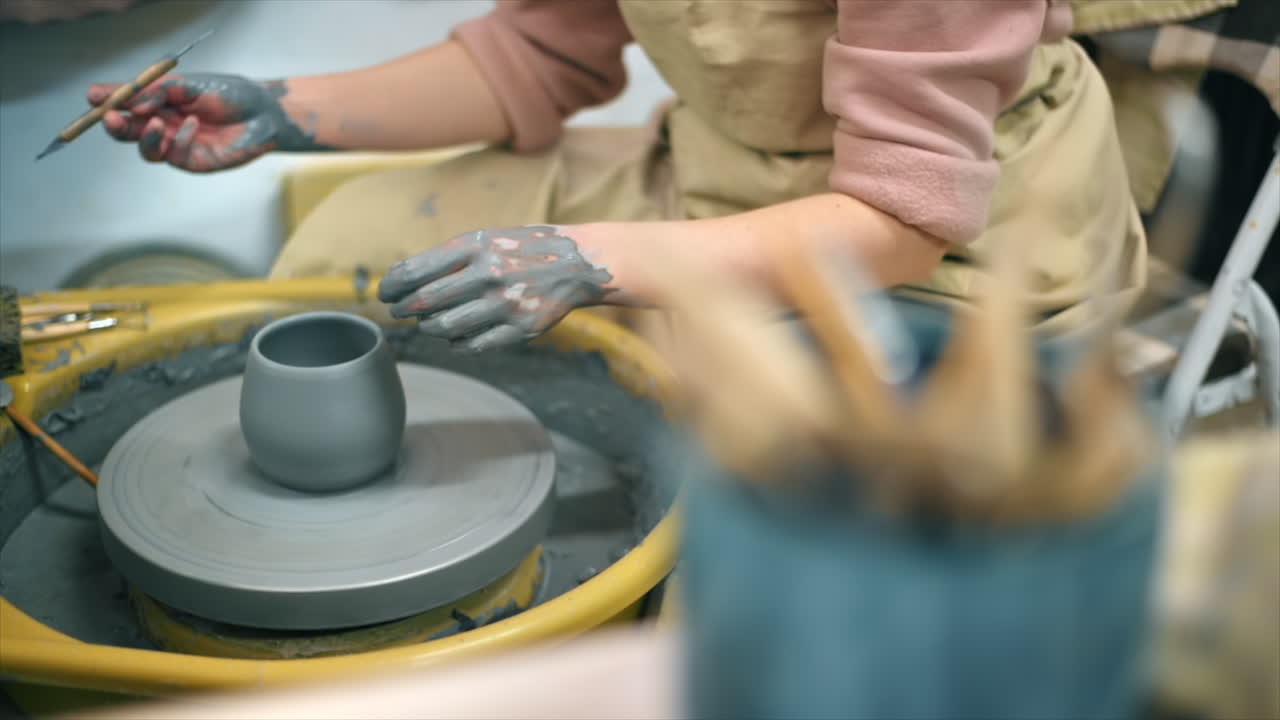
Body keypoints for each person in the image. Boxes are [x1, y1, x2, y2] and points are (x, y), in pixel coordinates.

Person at [88, 0, 1145, 351]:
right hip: (721, 177)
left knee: (750, 481)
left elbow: (900, 215)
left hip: (955, 250)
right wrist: (286, 112)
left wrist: (592, 260)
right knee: (355, 237)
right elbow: (542, 51)